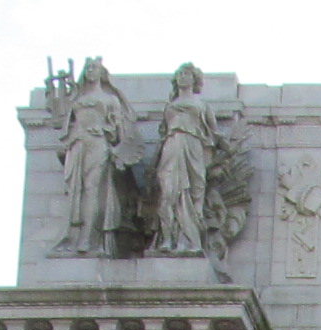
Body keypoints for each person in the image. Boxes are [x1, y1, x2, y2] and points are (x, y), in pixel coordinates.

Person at [52, 59, 133, 255]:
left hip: (98, 143)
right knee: (74, 191)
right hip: (77, 143)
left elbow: (120, 132)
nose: (90, 71)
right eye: (87, 68)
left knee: (92, 190)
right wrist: (60, 89)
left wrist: (118, 151)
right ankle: (73, 236)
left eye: (94, 68)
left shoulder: (110, 99)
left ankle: (89, 238)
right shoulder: (75, 99)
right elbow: (59, 118)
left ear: (102, 73)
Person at [152, 64, 225, 255]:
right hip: (172, 147)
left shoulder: (203, 105)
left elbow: (215, 133)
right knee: (168, 193)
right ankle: (168, 238)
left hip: (194, 149)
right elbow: (162, 134)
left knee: (193, 194)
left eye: (187, 74)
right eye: (180, 74)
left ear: (195, 79)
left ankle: (190, 240)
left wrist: (226, 148)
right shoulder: (169, 106)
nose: (183, 77)